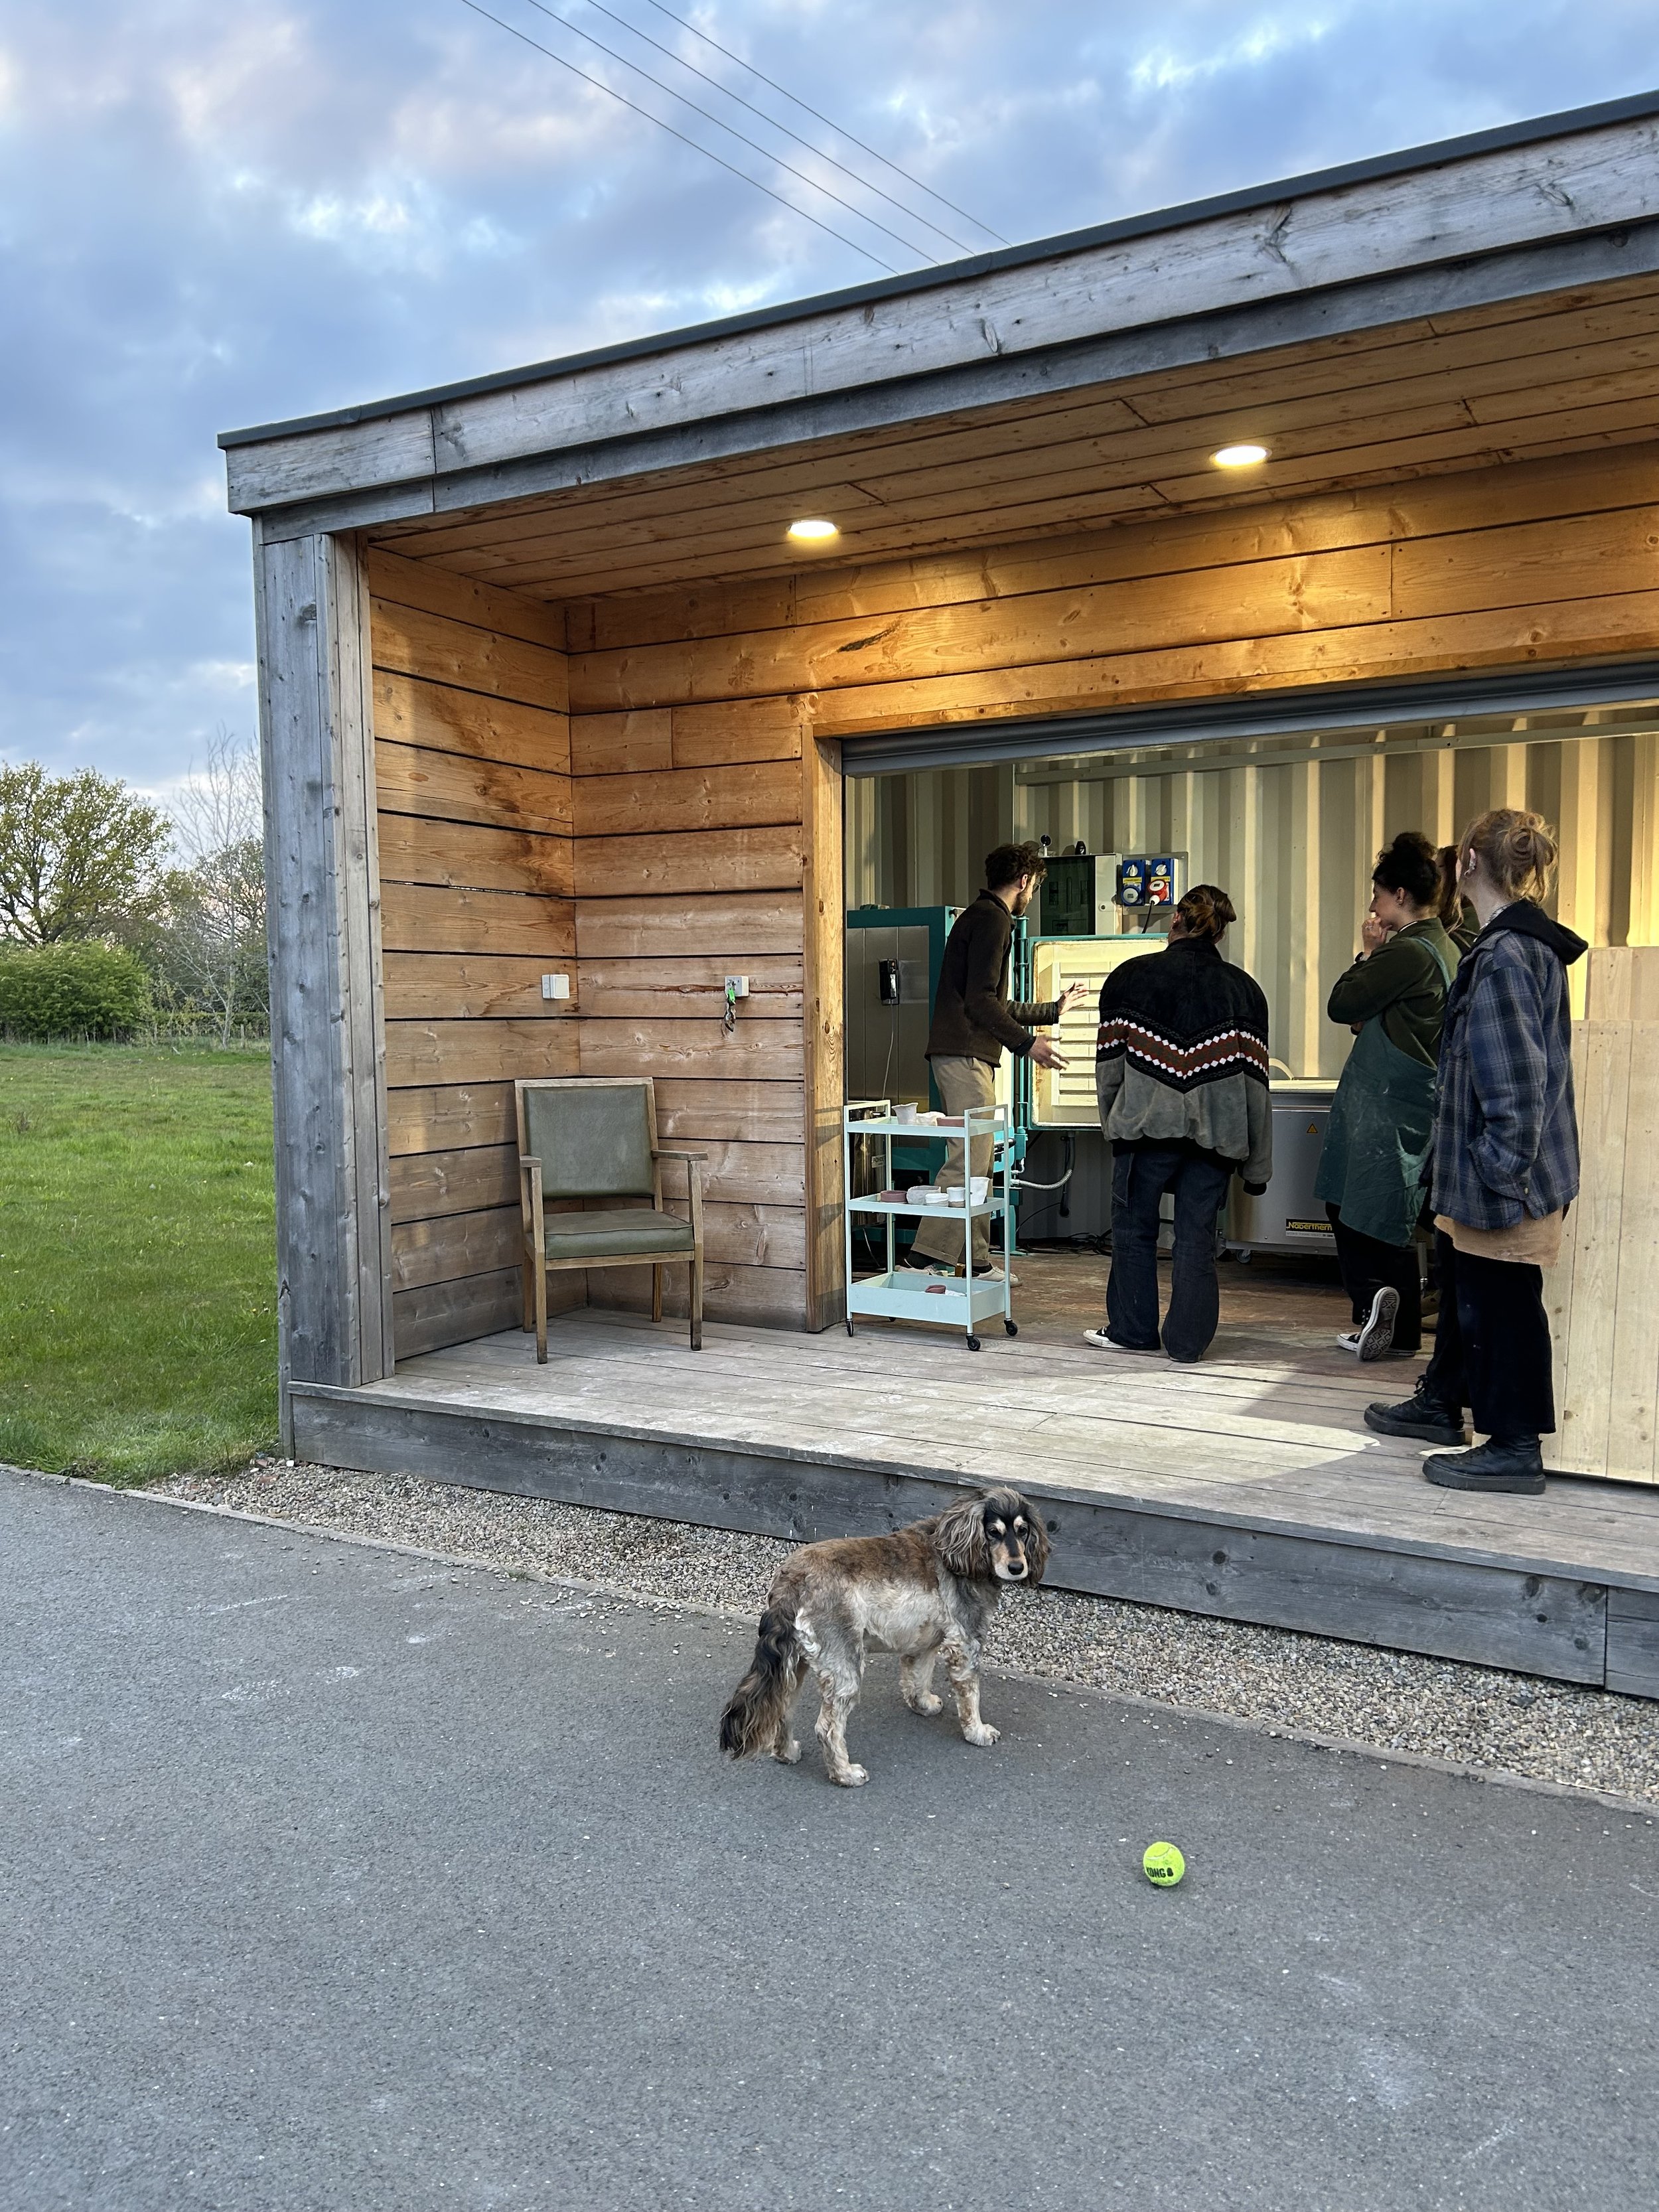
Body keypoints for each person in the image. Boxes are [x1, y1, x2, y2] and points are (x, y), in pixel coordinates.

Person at [1366, 809, 1584, 1495]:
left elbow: (1517, 1087)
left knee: (1504, 1308)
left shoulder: (1504, 957)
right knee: (1466, 1291)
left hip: (1501, 1183)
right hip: (1482, 1180)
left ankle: (1514, 1445)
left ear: (1464, 866)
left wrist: (1495, 1174)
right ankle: (1440, 1404)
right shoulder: (1511, 946)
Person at [1084, 884, 1272, 1364]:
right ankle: (1187, 1344)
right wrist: (1258, 1170)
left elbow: (1109, 1071)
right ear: (1221, 930)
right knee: (1196, 1239)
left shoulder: (1128, 979)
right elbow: (1256, 1088)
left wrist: (1115, 1125)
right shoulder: (1246, 991)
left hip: (1144, 1135)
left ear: (1174, 921)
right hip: (1217, 1140)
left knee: (1133, 1231)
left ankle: (1132, 1329)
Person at [904, 842, 1089, 1283]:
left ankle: (977, 1261)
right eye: (1036, 886)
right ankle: (922, 1257)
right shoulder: (993, 919)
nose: (1033, 894)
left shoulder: (984, 916)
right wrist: (1028, 1045)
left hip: (968, 1052)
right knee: (970, 1156)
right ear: (1025, 880)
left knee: (979, 1159)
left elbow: (995, 1001)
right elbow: (982, 1000)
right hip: (965, 1054)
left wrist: (1052, 1010)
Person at [1315, 831, 1461, 1361]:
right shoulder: (1447, 947)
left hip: (1388, 1102)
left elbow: (1342, 1003)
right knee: (1380, 1206)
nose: (1372, 905)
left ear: (1400, 895)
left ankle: (1378, 1303)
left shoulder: (1409, 953)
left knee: (1366, 1207)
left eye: (1377, 894)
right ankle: (1391, 1319)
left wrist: (1368, 951)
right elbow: (1368, 1018)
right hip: (1411, 1097)